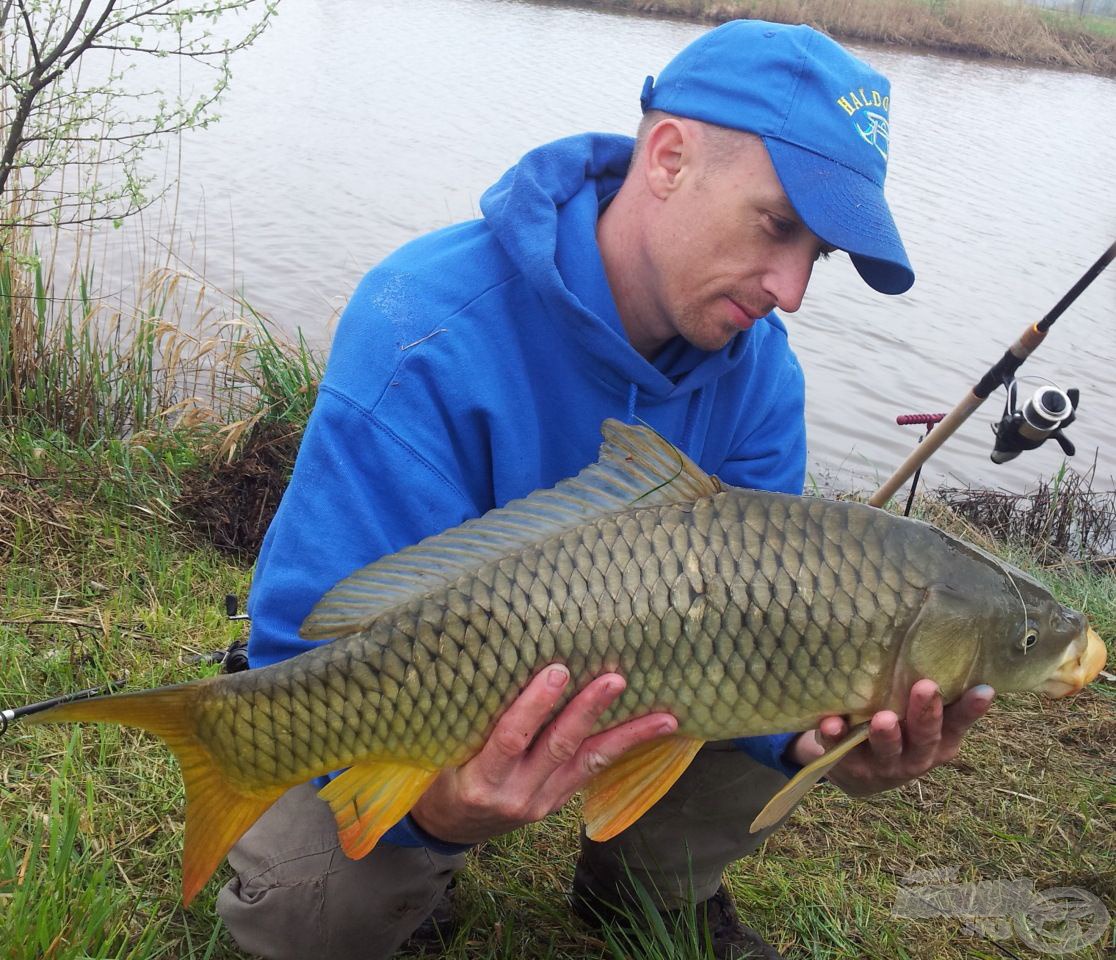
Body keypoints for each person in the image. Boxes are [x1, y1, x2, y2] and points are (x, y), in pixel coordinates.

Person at [216, 19, 995, 960]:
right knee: (310, 919)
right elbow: (304, 633)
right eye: (778, 226)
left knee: (811, 643)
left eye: (816, 256)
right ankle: (415, 875)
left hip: (653, 675)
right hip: (424, 686)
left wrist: (813, 744)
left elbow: (770, 628)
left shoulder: (760, 378)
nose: (790, 290)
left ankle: (646, 884)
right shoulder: (424, 321)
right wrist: (437, 813)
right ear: (668, 158)